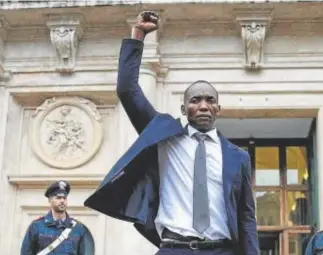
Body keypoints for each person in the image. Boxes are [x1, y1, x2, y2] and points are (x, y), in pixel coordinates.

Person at [84, 11, 258, 255]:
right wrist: (138, 36)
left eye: (210, 100)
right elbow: (127, 90)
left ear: (218, 108)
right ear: (184, 109)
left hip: (222, 250)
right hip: (174, 248)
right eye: (195, 100)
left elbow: (246, 218)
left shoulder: (238, 157)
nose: (204, 105)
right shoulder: (164, 136)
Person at [21, 180, 95, 255]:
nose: (62, 201)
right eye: (58, 198)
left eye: (64, 198)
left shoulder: (77, 228)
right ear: (50, 200)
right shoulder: (37, 226)